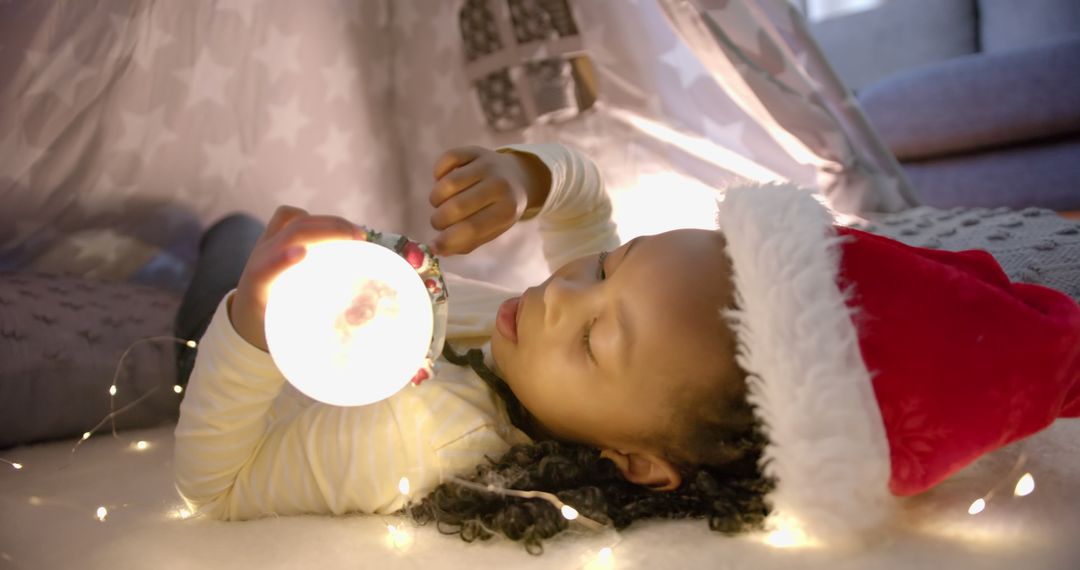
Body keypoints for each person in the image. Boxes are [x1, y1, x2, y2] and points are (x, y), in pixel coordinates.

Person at [173, 143, 1080, 552]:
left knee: (215, 249)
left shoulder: (430, 441)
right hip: (324, 300)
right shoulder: (577, 366)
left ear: (638, 463)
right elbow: (584, 207)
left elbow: (218, 486)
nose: (562, 291)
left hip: (233, 357)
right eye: (610, 265)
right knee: (240, 230)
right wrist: (525, 177)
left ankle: (214, 245)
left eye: (599, 331)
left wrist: (249, 324)